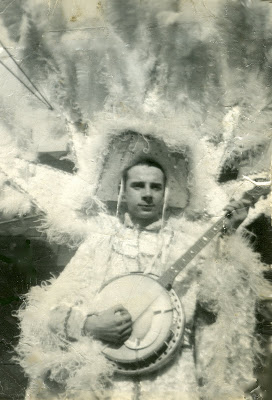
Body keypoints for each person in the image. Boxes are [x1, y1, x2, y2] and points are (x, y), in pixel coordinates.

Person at [16, 158, 267, 400]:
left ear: (165, 193)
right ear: (122, 192)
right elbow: (50, 312)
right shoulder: (100, 245)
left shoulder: (186, 245)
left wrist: (228, 234)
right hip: (111, 382)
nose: (147, 194)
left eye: (155, 187)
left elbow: (216, 305)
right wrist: (89, 325)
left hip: (175, 380)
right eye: (138, 186)